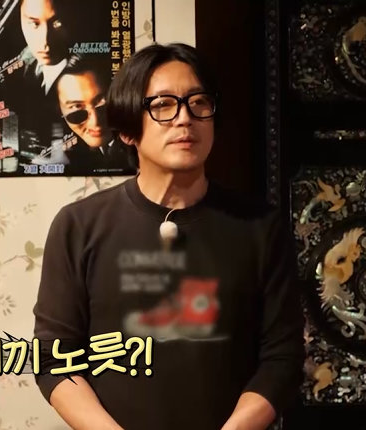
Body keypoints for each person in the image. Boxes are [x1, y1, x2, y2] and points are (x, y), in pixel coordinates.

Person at [33, 43, 304, 430]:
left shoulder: (261, 226)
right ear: (128, 130)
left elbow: (282, 357)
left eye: (199, 103)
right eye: (163, 105)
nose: (185, 118)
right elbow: (53, 357)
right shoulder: (78, 226)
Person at [55, 55, 133, 175]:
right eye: (76, 107)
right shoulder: (68, 155)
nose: (95, 121)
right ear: (60, 109)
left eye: (101, 101)